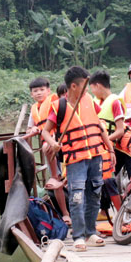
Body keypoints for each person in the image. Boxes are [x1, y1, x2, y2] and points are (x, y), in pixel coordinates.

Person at [43, 66, 108, 251]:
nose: (87, 90)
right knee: (77, 196)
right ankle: (78, 236)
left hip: (95, 155)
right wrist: (53, 144)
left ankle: (91, 232)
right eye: (84, 86)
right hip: (75, 159)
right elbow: (45, 131)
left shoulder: (89, 101)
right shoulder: (59, 106)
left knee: (95, 193)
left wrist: (109, 150)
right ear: (73, 86)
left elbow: (99, 125)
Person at [88, 70, 126, 214]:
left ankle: (122, 213)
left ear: (98, 86)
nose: (92, 91)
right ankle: (103, 212)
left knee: (109, 180)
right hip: (99, 149)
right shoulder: (95, 102)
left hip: (115, 149)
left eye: (92, 88)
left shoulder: (115, 102)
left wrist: (105, 141)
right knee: (100, 180)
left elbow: (120, 130)